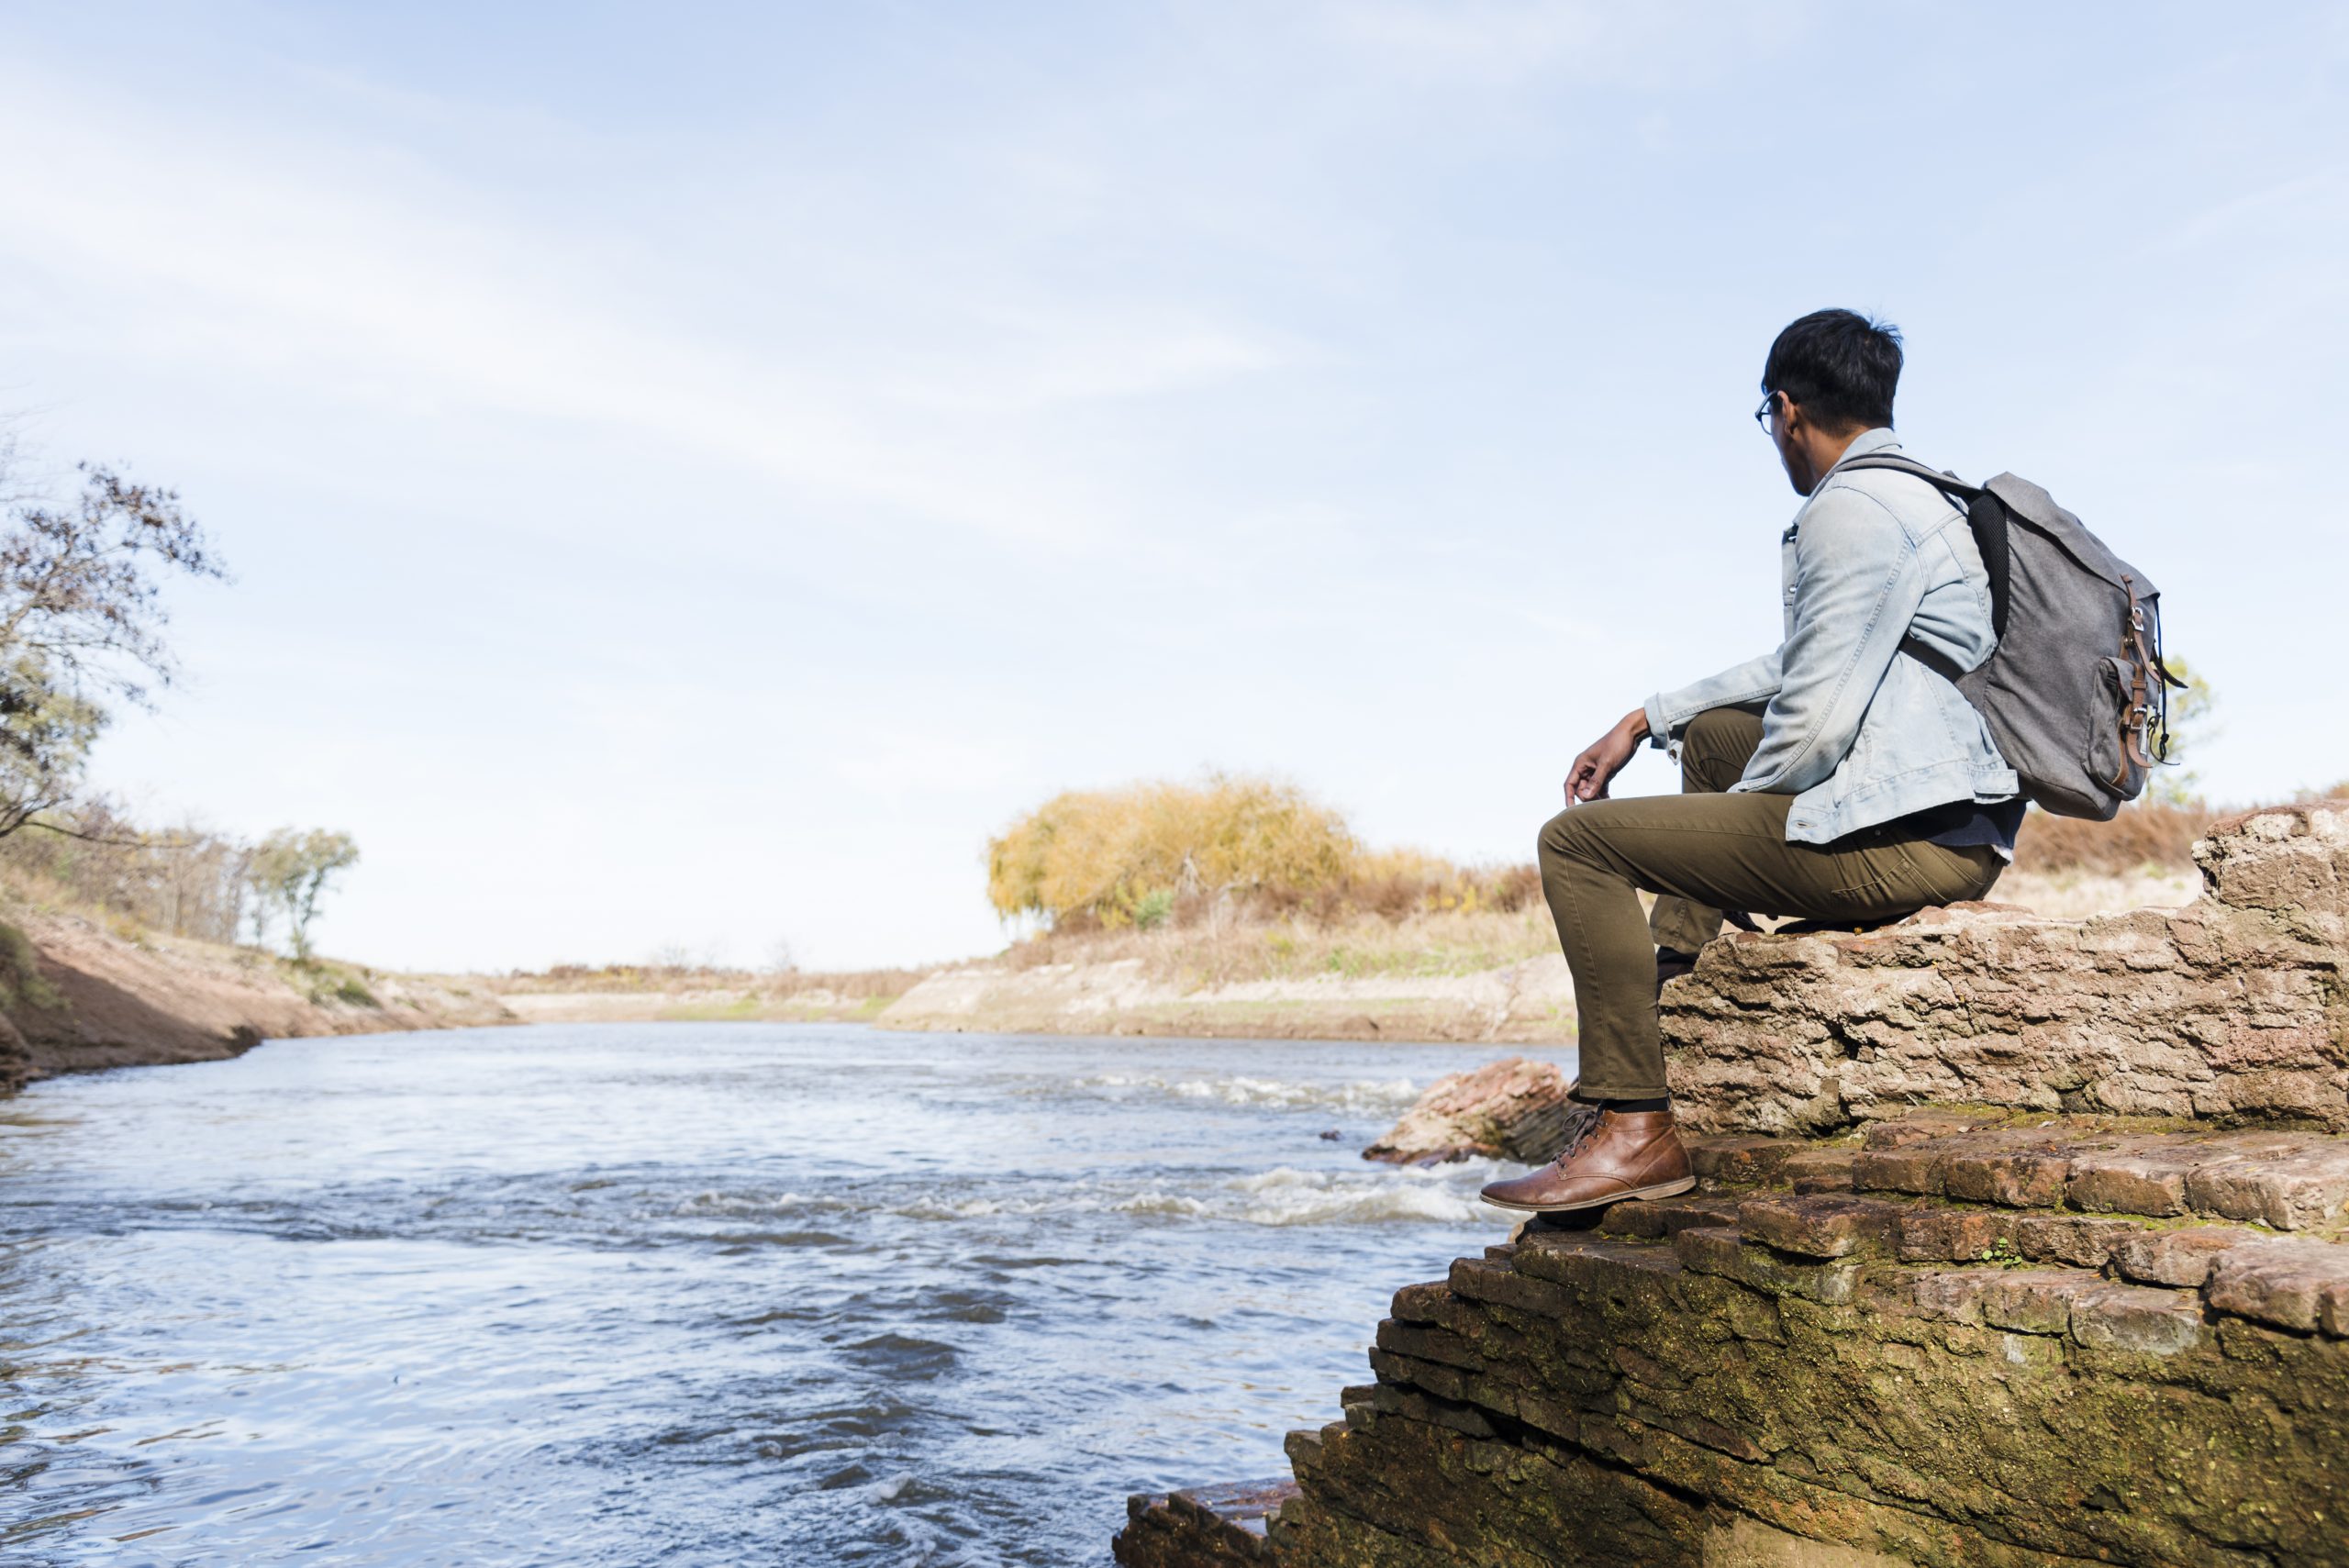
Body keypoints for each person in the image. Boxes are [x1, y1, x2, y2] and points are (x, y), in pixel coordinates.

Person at [1481, 308, 2021, 1215]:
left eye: (1769, 422)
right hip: (1952, 813)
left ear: (1786, 410)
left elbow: (1808, 720)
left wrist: (1733, 825)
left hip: (1914, 839)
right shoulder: (1918, 495)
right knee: (1714, 737)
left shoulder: (1849, 510)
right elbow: (1802, 660)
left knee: (1577, 842)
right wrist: (1644, 717)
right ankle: (1681, 964)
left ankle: (1633, 1129)